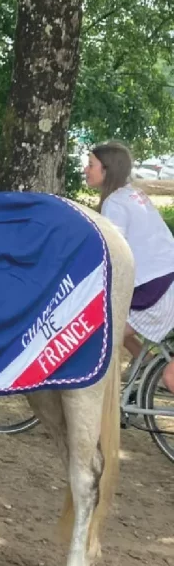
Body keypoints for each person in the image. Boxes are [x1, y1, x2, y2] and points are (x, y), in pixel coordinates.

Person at [84, 142, 174, 394]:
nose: (86, 169)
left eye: (91, 165)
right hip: (162, 280)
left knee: (102, 332)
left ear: (107, 169)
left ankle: (103, 396)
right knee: (112, 324)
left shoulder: (115, 203)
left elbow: (113, 253)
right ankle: (145, 363)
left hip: (157, 287)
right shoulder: (131, 194)